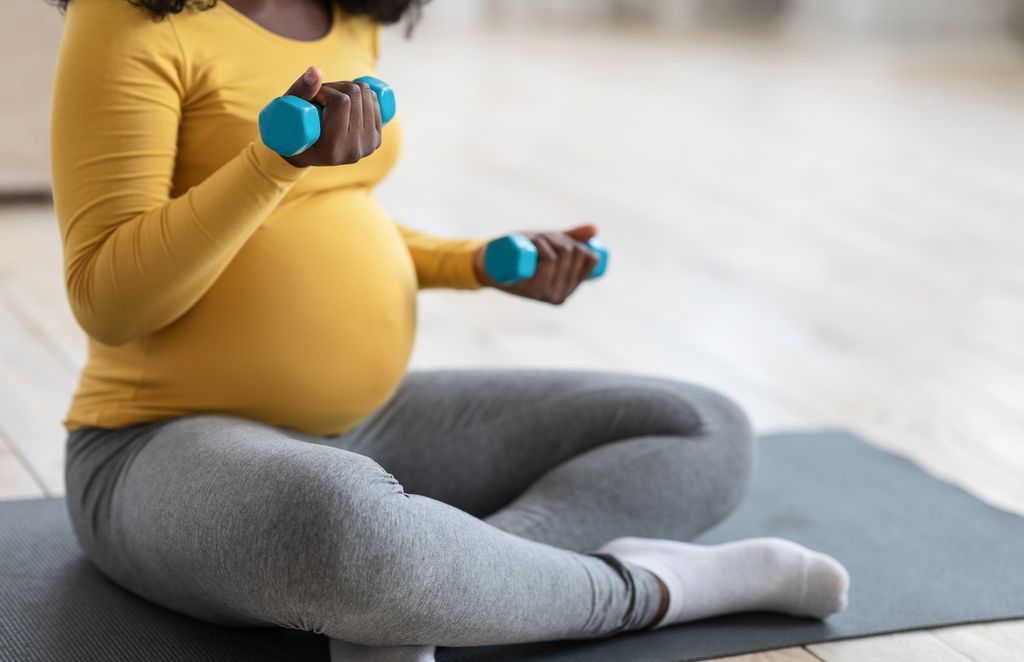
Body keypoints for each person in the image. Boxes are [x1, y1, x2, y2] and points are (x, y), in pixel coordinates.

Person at [50, 0, 850, 660]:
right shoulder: (126, 21)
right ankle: (648, 593)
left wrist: (481, 263)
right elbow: (110, 299)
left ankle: (425, 591)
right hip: (156, 447)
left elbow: (335, 222)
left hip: (375, 425)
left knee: (704, 427)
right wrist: (272, 161)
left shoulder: (346, 14)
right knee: (340, 522)